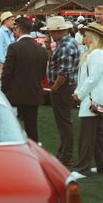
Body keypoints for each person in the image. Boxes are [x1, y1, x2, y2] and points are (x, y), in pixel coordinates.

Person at [1, 17, 48, 141]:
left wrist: (3, 91)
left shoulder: (14, 48)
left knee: (12, 129)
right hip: (33, 94)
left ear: (16, 28)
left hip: (15, 96)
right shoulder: (41, 50)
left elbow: (7, 74)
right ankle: (33, 155)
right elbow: (42, 75)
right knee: (32, 129)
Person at [42, 16, 80, 166]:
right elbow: (55, 63)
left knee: (64, 123)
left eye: (52, 31)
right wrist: (47, 47)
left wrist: (54, 88)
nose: (50, 34)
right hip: (64, 87)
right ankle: (64, 153)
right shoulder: (63, 43)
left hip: (63, 88)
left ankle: (66, 155)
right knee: (64, 122)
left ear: (60, 31)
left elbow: (64, 73)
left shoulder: (65, 45)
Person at [70, 22, 103, 179]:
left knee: (87, 136)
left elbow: (92, 79)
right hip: (95, 100)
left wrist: (80, 94)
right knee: (97, 136)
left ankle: (82, 168)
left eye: (86, 34)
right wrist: (79, 92)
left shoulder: (95, 55)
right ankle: (100, 165)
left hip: (91, 101)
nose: (84, 37)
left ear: (93, 37)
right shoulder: (96, 53)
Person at [0, 11, 15, 90]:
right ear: (5, 21)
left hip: (8, 67)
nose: (14, 22)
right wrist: (5, 69)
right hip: (2, 67)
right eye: (12, 20)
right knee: (1, 92)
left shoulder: (10, 33)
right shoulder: (0, 32)